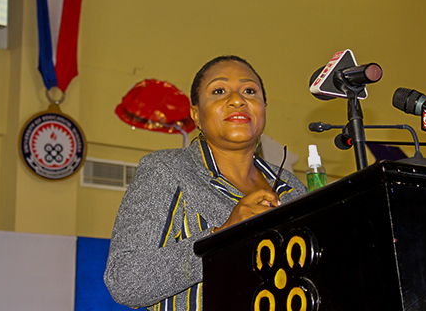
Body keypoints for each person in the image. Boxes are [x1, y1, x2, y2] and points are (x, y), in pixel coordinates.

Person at [105, 55, 307, 309]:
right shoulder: (167, 170)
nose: (237, 99)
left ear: (263, 107)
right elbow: (125, 282)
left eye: (249, 91)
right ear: (196, 115)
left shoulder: (292, 188)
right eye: (219, 90)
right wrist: (222, 236)